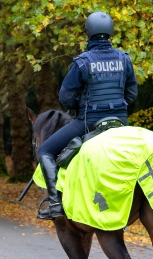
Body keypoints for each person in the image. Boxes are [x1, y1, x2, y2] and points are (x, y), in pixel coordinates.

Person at [36, 11, 138, 220]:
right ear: (110, 32)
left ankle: (55, 204)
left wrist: (78, 106)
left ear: (88, 33)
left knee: (45, 150)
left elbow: (65, 98)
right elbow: (132, 93)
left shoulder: (82, 62)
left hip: (89, 121)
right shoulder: (124, 59)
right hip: (121, 122)